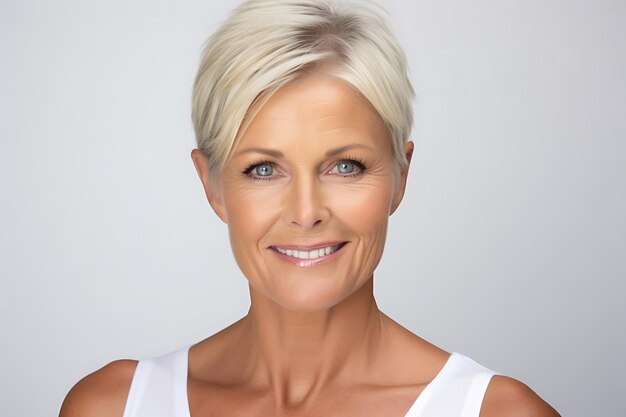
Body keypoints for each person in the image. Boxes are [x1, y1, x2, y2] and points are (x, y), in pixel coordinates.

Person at [60, 1, 560, 416]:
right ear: (211, 185)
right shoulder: (111, 406)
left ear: (401, 177)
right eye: (262, 169)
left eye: (345, 167)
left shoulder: (499, 411)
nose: (306, 211)